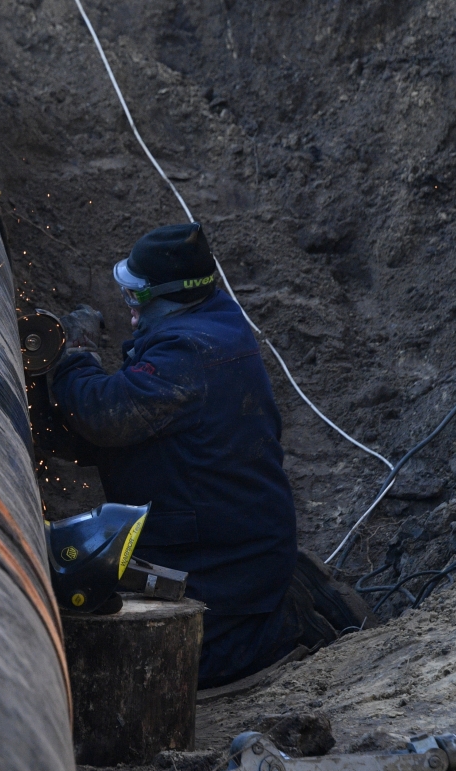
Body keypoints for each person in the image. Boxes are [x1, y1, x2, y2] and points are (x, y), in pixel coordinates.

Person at [39, 222, 374, 688]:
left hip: (220, 575)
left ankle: (285, 627)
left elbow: (106, 414)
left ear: (170, 296)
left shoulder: (188, 352)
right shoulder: (213, 323)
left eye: (137, 297)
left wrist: (76, 354)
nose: (130, 311)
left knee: (139, 671)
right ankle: (282, 605)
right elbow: (127, 431)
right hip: (228, 542)